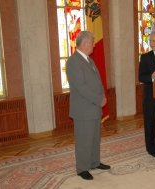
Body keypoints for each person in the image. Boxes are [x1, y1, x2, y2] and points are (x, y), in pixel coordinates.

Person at [66, 31, 110, 180]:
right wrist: (99, 100)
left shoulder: (89, 60)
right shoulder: (73, 61)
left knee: (94, 138)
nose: (94, 44)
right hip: (83, 109)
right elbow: (81, 87)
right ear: (84, 44)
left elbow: (97, 81)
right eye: (92, 42)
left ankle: (94, 162)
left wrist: (103, 96)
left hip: (94, 107)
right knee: (84, 139)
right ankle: (82, 168)